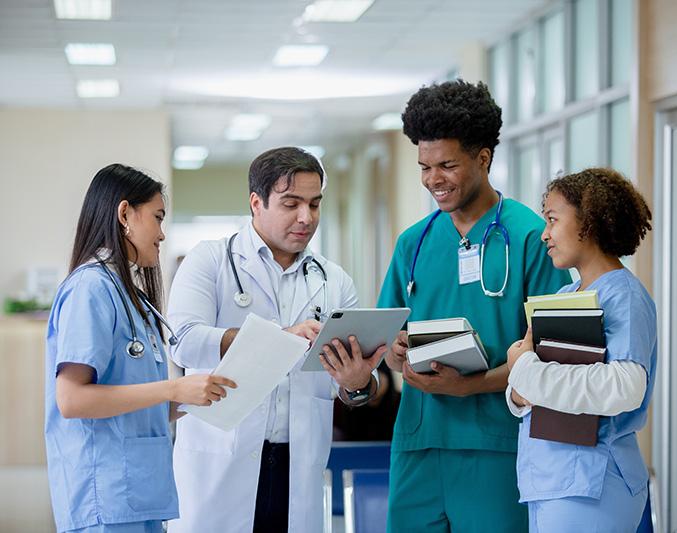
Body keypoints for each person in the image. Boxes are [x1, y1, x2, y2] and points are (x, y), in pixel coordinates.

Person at [377, 79, 571, 532]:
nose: (433, 180)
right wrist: (396, 349)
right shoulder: (414, 243)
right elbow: (387, 342)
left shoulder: (531, 237)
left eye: (447, 165)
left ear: (483, 158)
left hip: (497, 444)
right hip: (419, 442)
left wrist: (471, 385)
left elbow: (554, 356)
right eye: (424, 166)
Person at [166, 146, 384, 533]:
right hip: (221, 463)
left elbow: (353, 389)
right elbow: (184, 341)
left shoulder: (334, 281)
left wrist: (358, 384)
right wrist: (275, 339)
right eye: (291, 203)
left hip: (297, 465)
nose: (306, 217)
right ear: (256, 202)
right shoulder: (211, 262)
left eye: (315, 204)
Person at [44, 164, 236, 533]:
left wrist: (193, 397)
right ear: (124, 214)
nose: (162, 234)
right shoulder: (90, 289)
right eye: (158, 218)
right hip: (105, 496)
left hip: (139, 495)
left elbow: (133, 403)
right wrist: (173, 388)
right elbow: (71, 400)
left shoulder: (130, 296)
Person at [506, 167, 657, 533]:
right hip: (548, 479)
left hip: (595, 482)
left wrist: (523, 367)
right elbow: (530, 392)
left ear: (588, 222)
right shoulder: (564, 297)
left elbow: (624, 387)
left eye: (553, 220)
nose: (545, 234)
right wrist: (519, 393)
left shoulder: (624, 295)